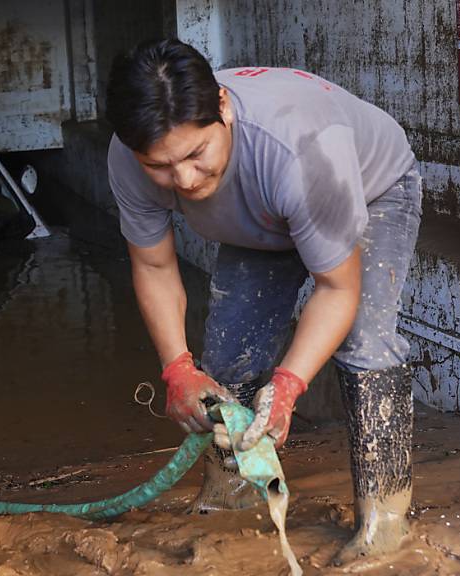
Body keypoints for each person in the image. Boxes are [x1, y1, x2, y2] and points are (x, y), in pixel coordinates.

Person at [105, 39, 421, 564]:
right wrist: (176, 369)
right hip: (266, 215)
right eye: (159, 166)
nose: (183, 180)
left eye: (195, 154)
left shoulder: (300, 152)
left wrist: (290, 383)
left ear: (223, 108)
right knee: (227, 356)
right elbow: (155, 266)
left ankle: (384, 518)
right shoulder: (129, 155)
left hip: (367, 188)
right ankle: (231, 497)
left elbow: (337, 287)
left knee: (365, 344)